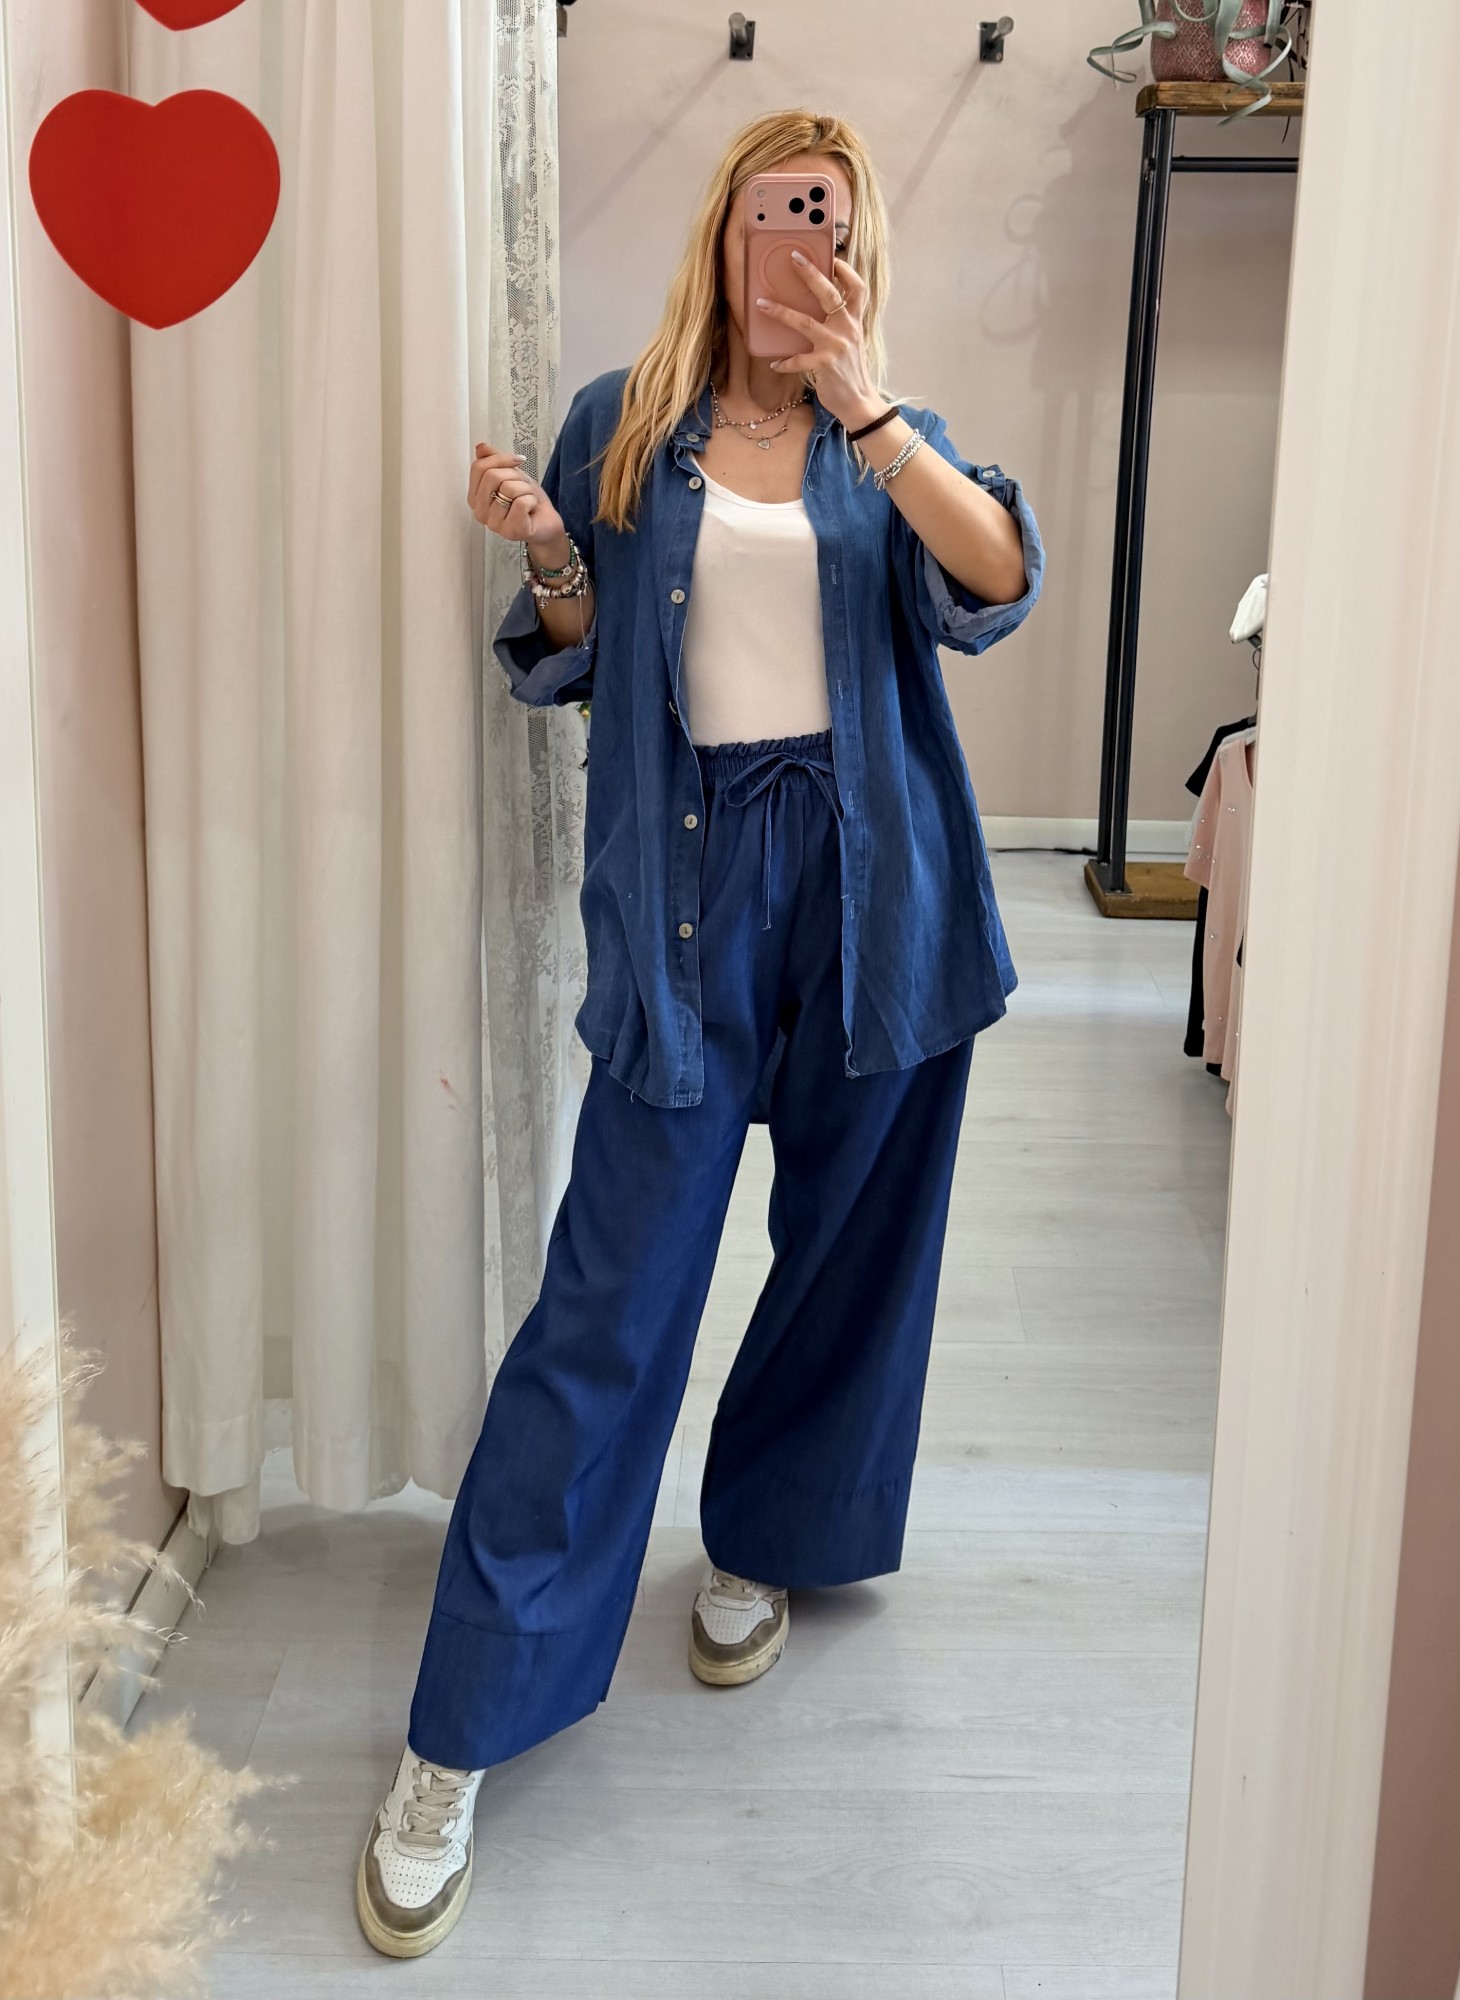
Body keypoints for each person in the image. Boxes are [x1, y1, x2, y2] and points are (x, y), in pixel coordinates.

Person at [356, 107, 1044, 1960]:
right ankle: (463, 1721)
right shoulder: (624, 424)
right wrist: (548, 552)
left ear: (857, 246)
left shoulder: (889, 437)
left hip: (882, 887)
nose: (787, 246)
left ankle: (767, 1540)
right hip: (686, 889)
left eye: (821, 218)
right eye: (762, 215)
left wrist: (874, 411)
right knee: (610, 1298)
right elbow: (581, 653)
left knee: (848, 1257)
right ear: (717, 239)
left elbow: (997, 580)